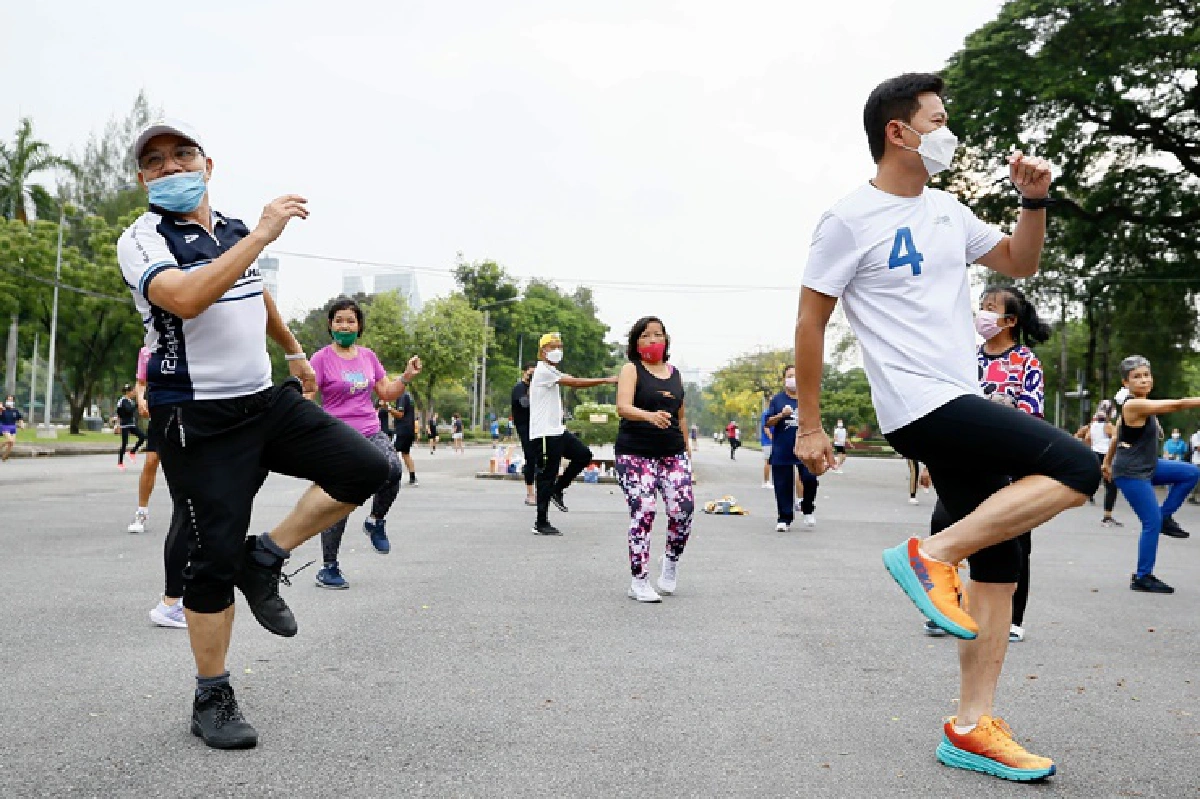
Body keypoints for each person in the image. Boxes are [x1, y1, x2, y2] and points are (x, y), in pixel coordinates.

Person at [794, 74, 1099, 782]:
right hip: (919, 402)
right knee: (1078, 467)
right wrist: (811, 425)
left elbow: (1021, 261)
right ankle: (933, 553)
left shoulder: (947, 211)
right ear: (899, 132)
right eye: (938, 119)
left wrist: (1033, 200)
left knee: (1004, 557)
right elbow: (812, 320)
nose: (948, 130)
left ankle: (971, 724)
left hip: (958, 392)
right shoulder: (848, 219)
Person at [117, 119, 392, 749]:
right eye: (154, 162)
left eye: (181, 155)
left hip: (264, 402)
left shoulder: (234, 230)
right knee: (207, 560)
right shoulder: (142, 240)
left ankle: (263, 555)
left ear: (207, 165)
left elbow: (254, 289)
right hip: (196, 418)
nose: (170, 168)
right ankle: (211, 692)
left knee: (368, 470)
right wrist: (265, 234)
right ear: (142, 179)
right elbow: (187, 297)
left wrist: (294, 351)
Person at [922, 284, 1052, 644]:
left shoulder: (1026, 360)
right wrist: (933, 460)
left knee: (1014, 538)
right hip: (964, 458)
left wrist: (999, 409)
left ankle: (1011, 617)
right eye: (981, 305)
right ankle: (944, 608)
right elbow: (947, 406)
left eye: (990, 307)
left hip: (1011, 461)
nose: (982, 312)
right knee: (943, 526)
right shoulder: (967, 357)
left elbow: (1033, 411)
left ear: (1009, 320)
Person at [309, 298, 421, 588]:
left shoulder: (368, 357)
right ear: (331, 325)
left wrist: (406, 377)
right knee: (341, 500)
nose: (345, 325)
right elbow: (308, 395)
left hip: (371, 430)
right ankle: (329, 567)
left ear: (359, 326)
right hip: (338, 436)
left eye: (350, 321)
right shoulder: (321, 358)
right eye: (339, 320)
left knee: (394, 469)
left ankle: (376, 520)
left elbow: (386, 392)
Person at [614, 316, 695, 602]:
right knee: (645, 510)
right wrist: (648, 416)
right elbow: (622, 407)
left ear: (666, 340)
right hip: (635, 453)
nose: (652, 340)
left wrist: (687, 455)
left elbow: (681, 417)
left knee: (683, 510)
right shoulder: (631, 370)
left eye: (657, 335)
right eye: (646, 335)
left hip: (672, 453)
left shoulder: (675, 374)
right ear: (636, 343)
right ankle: (639, 581)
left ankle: (670, 561)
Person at [1103, 355, 1200, 594]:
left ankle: (1165, 517)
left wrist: (1106, 462)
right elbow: (1177, 405)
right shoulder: (1134, 405)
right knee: (1151, 522)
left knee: (1190, 472)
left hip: (1149, 465)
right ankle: (1143, 576)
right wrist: (1111, 465)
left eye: (1146, 375)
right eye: (1137, 377)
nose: (1144, 380)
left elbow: (1116, 435)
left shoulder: (1138, 401)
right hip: (1132, 472)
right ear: (1126, 382)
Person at [529, 332, 617, 535]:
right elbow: (575, 383)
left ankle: (558, 489)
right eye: (552, 347)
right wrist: (605, 380)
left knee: (584, 455)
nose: (557, 350)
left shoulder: (552, 371)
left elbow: (571, 379)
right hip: (543, 434)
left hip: (557, 431)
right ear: (543, 351)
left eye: (559, 346)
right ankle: (540, 522)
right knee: (546, 476)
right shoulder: (543, 371)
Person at [764, 365, 818, 531]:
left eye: (796, 375)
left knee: (810, 479)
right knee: (783, 485)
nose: (792, 379)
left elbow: (816, 421)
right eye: (789, 376)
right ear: (784, 380)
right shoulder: (777, 400)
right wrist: (782, 415)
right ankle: (784, 518)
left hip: (804, 448)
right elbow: (767, 422)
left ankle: (807, 507)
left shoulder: (807, 399)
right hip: (782, 448)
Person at [1076, 405, 1122, 526]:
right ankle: (1107, 516)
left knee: (1097, 479)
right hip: (1106, 455)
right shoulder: (1108, 426)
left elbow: (1083, 436)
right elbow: (1117, 438)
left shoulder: (1092, 426)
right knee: (1111, 486)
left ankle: (1087, 494)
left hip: (1095, 454)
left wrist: (1088, 448)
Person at [511, 362, 538, 506]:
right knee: (530, 458)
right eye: (530, 374)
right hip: (524, 426)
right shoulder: (519, 388)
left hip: (538, 426)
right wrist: (531, 389)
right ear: (525, 372)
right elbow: (525, 404)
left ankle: (542, 491)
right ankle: (530, 493)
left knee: (541, 459)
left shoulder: (537, 388)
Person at [388, 389, 419, 486]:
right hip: (409, 429)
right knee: (406, 453)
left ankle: (390, 477)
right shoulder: (409, 396)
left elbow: (400, 414)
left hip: (402, 430)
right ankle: (413, 477)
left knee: (390, 451)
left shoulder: (401, 396)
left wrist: (388, 408)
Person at [115, 383, 146, 471]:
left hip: (131, 424)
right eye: (132, 391)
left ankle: (132, 452)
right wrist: (136, 405)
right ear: (128, 392)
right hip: (125, 425)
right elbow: (127, 410)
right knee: (124, 444)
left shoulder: (130, 401)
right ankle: (120, 463)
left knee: (142, 436)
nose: (133, 393)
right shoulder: (123, 401)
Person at [1, 394, 24, 462]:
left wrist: (21, 424)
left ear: (13, 401)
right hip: (5, 426)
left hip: (13, 427)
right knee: (10, 440)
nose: (9, 401)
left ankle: (4, 457)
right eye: (8, 399)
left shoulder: (15, 410)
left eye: (11, 400)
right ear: (6, 400)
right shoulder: (3, 409)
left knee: (11, 444)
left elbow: (20, 418)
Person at [760, 407, 773, 489]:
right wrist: (771, 437)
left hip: (775, 441)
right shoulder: (766, 413)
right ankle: (766, 481)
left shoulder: (776, 412)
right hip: (768, 441)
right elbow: (765, 427)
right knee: (768, 461)